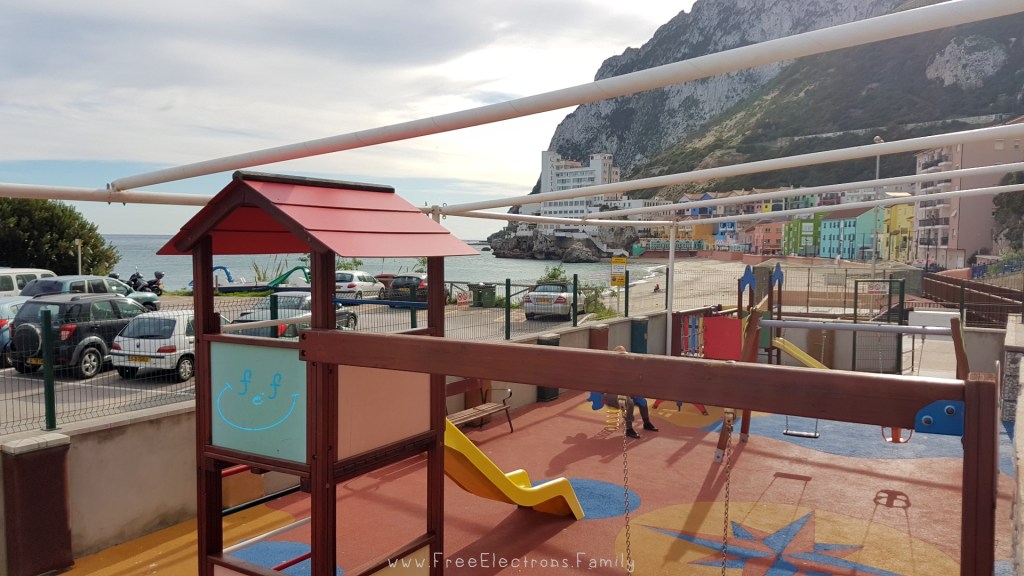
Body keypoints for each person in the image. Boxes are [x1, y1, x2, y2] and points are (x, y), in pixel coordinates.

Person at [603, 346, 659, 438]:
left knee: (642, 401)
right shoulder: (611, 369)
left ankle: (647, 423)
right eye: (621, 357)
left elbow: (632, 383)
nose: (623, 359)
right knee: (629, 403)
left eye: (624, 356)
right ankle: (629, 429)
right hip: (611, 394)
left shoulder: (627, 368)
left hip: (625, 392)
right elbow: (611, 386)